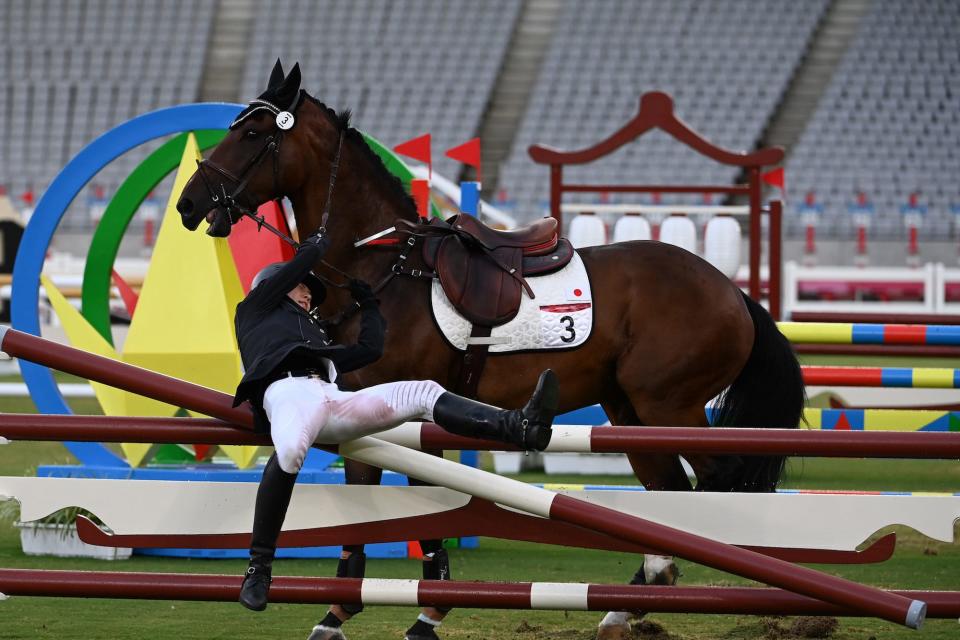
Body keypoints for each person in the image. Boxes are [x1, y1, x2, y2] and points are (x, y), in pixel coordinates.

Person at [234, 229, 559, 618]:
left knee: (421, 392)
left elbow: (369, 349)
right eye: (301, 289)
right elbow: (295, 270)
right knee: (289, 451)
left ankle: (518, 426)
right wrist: (314, 250)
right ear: (272, 287)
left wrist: (368, 305)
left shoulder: (313, 334)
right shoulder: (253, 309)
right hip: (286, 395)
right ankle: (258, 569)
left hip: (330, 398)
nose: (308, 297)